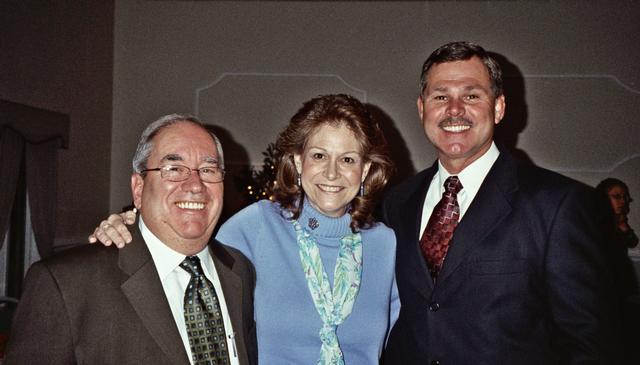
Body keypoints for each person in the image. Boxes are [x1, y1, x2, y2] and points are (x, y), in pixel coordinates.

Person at [90, 94, 400, 364]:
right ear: (298, 161)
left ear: (366, 170)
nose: (332, 172)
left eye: (347, 159)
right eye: (319, 155)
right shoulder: (255, 227)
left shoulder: (385, 245)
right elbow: (179, 263)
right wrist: (131, 222)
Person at [380, 41, 615, 364]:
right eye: (440, 96)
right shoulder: (396, 202)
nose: (454, 109)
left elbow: (588, 344)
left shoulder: (558, 205)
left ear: (499, 107)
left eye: (471, 95)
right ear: (422, 109)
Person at [5, 115, 257, 364]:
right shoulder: (65, 284)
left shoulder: (239, 270)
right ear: (138, 189)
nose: (195, 185)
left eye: (208, 170)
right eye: (174, 169)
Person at [596, 178, 639, 249]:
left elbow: (632, 243)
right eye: (617, 196)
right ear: (603, 198)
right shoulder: (593, 219)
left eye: (625, 197)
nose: (623, 201)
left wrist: (623, 226)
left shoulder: (618, 217)